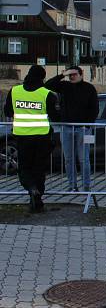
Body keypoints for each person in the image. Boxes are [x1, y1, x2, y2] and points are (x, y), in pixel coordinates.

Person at [4, 65, 60, 212]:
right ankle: (38, 199)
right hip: (42, 137)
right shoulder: (47, 94)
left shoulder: (15, 91)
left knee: (24, 169)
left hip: (23, 137)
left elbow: (8, 111)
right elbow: (55, 116)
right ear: (42, 77)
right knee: (39, 169)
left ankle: (32, 189)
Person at [46, 65, 98, 192]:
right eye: (70, 75)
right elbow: (48, 85)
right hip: (66, 127)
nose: (72, 77)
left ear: (81, 74)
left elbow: (94, 108)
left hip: (83, 129)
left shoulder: (89, 88)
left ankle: (86, 186)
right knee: (68, 159)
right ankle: (72, 186)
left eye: (74, 74)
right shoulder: (64, 86)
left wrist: (88, 124)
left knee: (84, 159)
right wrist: (62, 75)